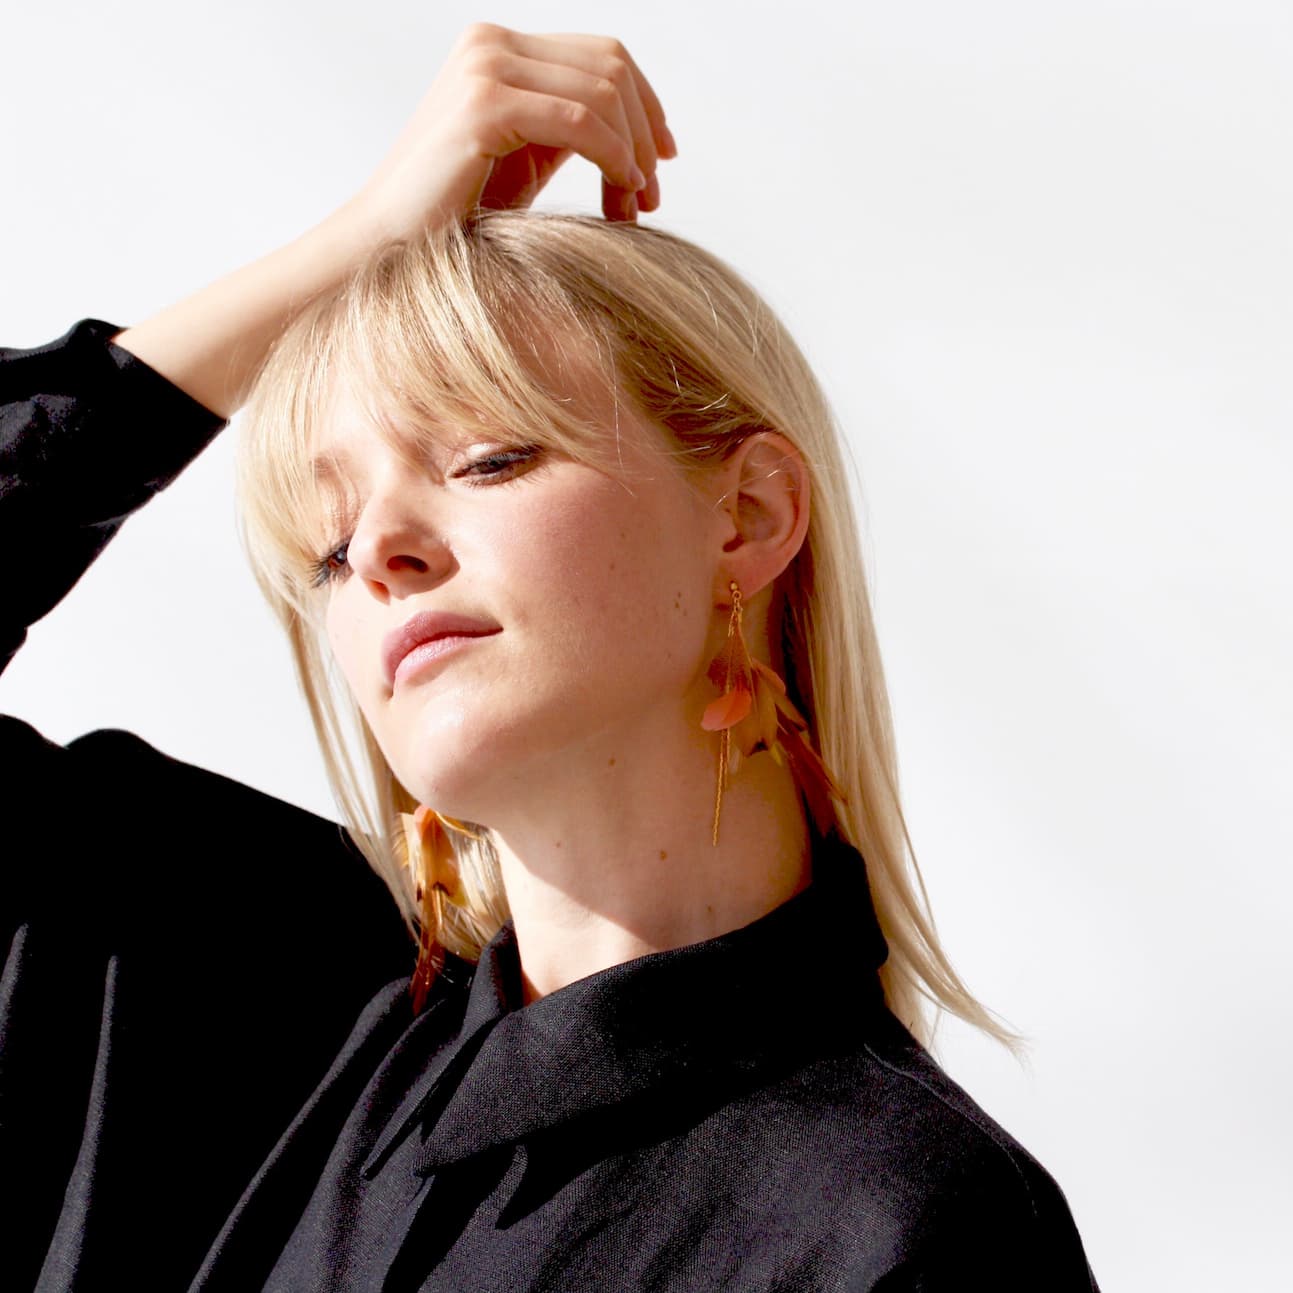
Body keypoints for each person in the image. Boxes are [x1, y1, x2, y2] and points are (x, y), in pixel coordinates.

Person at [0, 23, 1100, 1292]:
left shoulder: (898, 1225)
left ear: (744, 520)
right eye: (328, 542)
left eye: (487, 458)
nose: (382, 555)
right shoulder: (253, 1015)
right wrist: (353, 247)